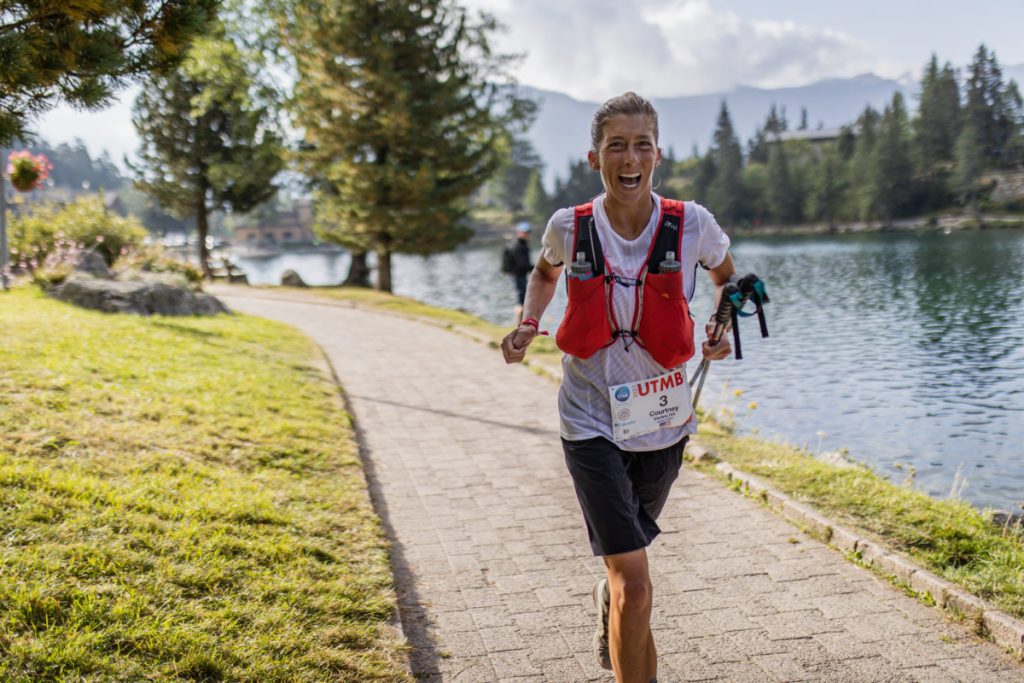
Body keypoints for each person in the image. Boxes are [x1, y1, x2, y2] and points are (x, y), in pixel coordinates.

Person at [500, 92, 736, 683]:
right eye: (616, 146)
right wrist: (529, 322)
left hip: (663, 422)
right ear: (594, 157)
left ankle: (610, 598)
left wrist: (720, 325)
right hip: (588, 421)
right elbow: (544, 273)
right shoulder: (569, 226)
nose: (630, 158)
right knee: (635, 582)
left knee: (626, 576)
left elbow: (726, 278)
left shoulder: (692, 223)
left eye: (642, 145)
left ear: (658, 154)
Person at [505, 220, 533, 326]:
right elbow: (523, 264)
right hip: (518, 276)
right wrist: (536, 269)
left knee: (523, 299)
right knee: (521, 301)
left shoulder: (519, 244)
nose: (526, 234)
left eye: (527, 232)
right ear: (518, 232)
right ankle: (519, 325)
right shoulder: (518, 246)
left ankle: (521, 324)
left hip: (519, 275)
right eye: (524, 232)